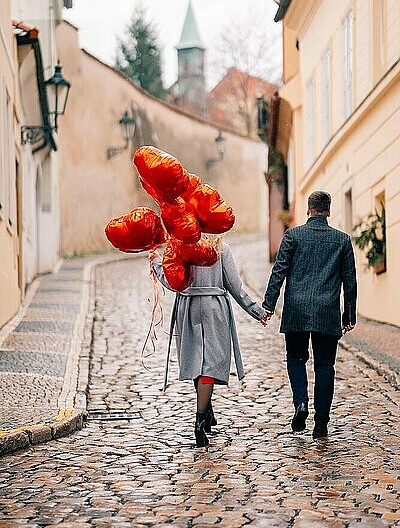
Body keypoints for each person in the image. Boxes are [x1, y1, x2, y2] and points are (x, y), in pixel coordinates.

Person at [149, 236, 269, 448]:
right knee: (209, 365)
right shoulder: (221, 248)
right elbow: (235, 286)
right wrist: (257, 311)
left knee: (197, 360)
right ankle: (200, 420)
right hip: (214, 308)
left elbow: (171, 282)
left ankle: (207, 412)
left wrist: (156, 263)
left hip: (188, 307)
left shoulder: (180, 246)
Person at [262, 191, 357, 439]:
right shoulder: (342, 240)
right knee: (325, 365)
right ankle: (321, 423)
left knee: (296, 358)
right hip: (327, 312)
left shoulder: (293, 236)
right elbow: (350, 282)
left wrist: (269, 305)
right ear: (328, 211)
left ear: (308, 210)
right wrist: (349, 315)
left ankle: (301, 403)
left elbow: (278, 272)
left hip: (296, 310)